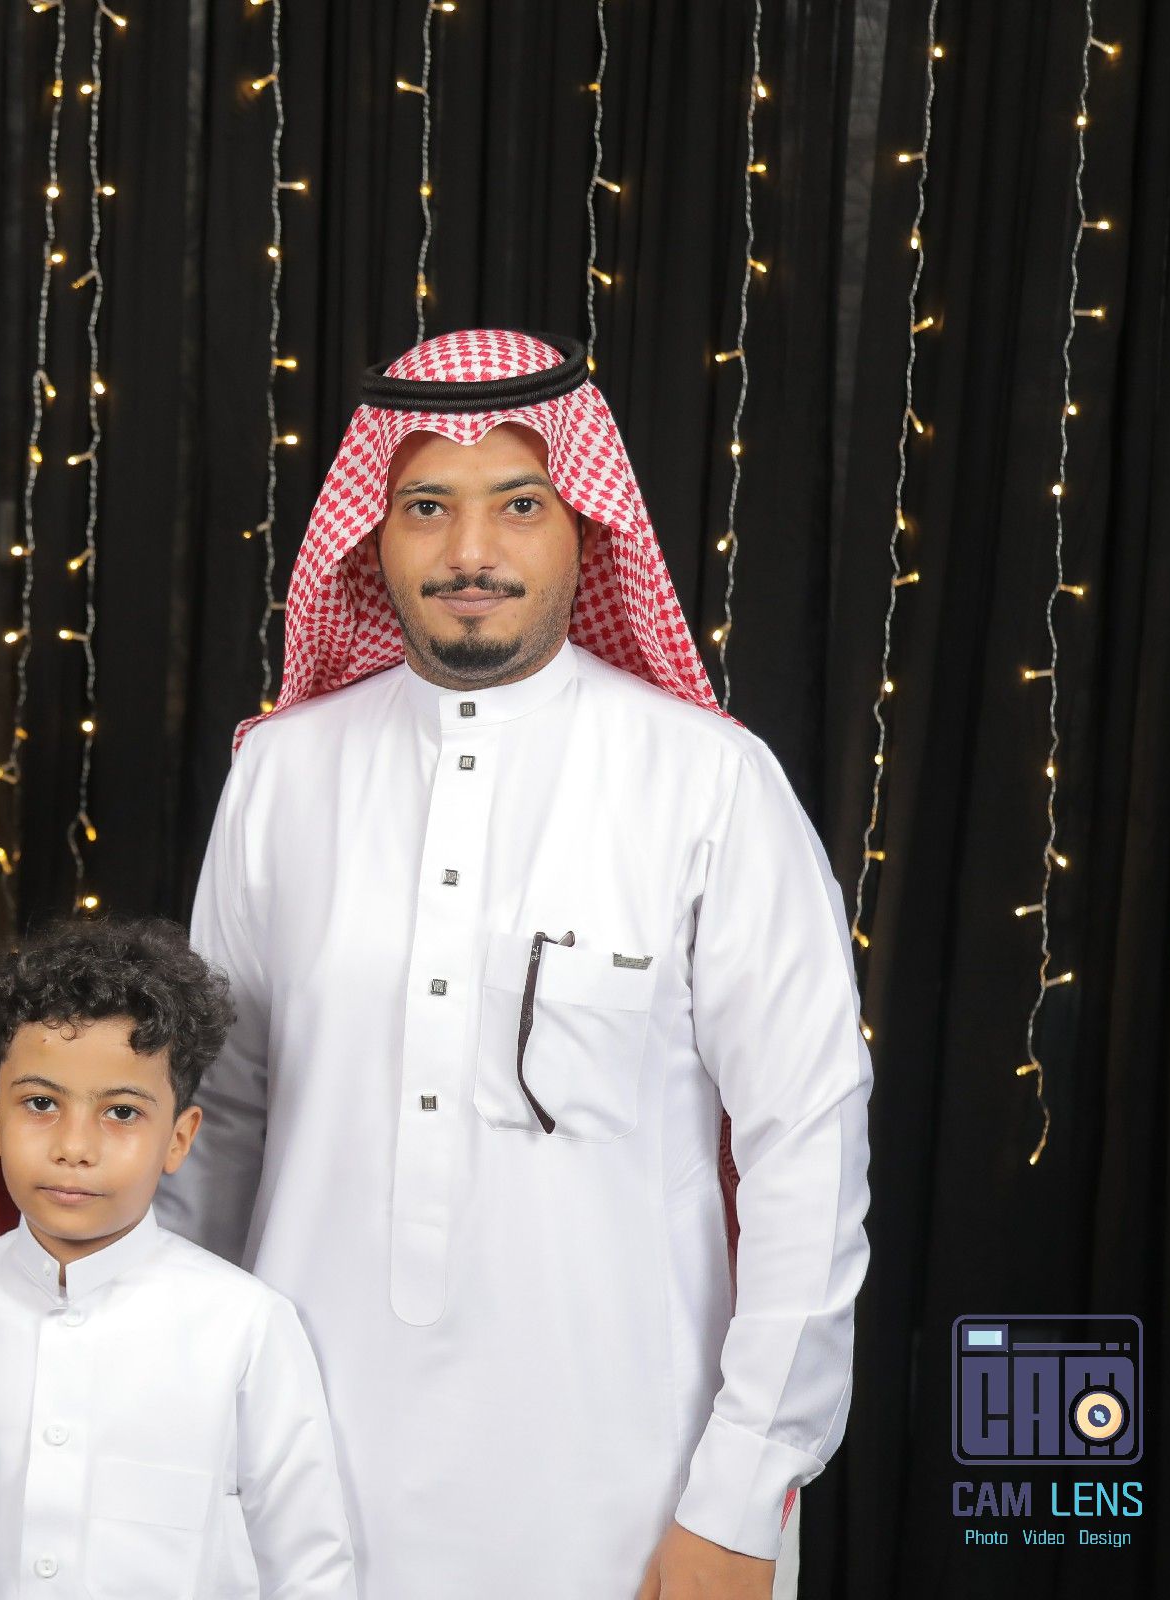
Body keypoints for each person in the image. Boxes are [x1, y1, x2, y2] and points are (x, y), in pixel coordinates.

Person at [157, 329, 872, 1599]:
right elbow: (213, 1134)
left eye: (520, 505)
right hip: (296, 1477)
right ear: (374, 534)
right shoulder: (281, 774)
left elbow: (805, 1148)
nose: (471, 551)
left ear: (584, 525)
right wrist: (176, 1426)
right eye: (427, 506)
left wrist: (741, 1495)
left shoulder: (707, 781)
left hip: (625, 1494)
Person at [0, 918, 356, 1600]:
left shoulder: (245, 1327)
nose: (75, 1147)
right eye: (41, 1103)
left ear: (179, 1138)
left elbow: (308, 1572)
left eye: (122, 1113)